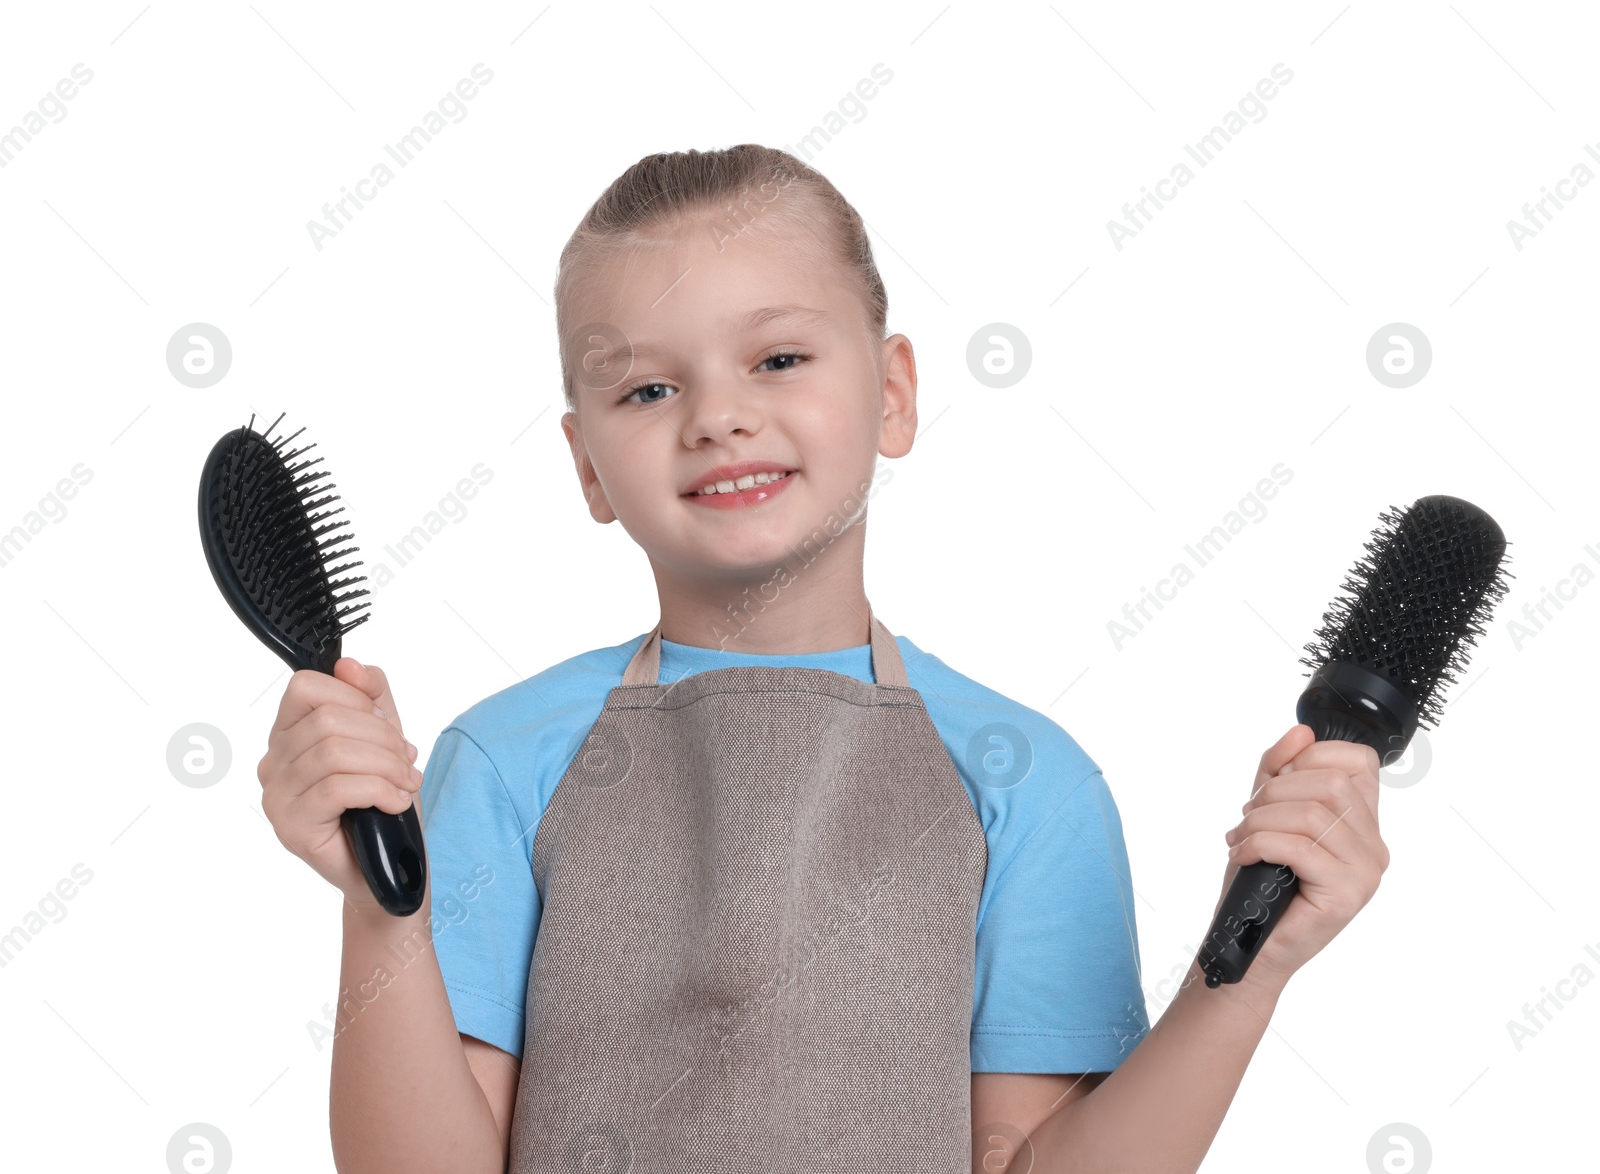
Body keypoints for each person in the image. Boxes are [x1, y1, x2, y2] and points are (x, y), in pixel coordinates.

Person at [257, 144, 1390, 1174]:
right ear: (589, 467)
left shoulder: (1027, 780)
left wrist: (1247, 979)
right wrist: (378, 910)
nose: (719, 416)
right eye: (648, 388)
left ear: (892, 393)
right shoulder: (503, 762)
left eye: (779, 356)